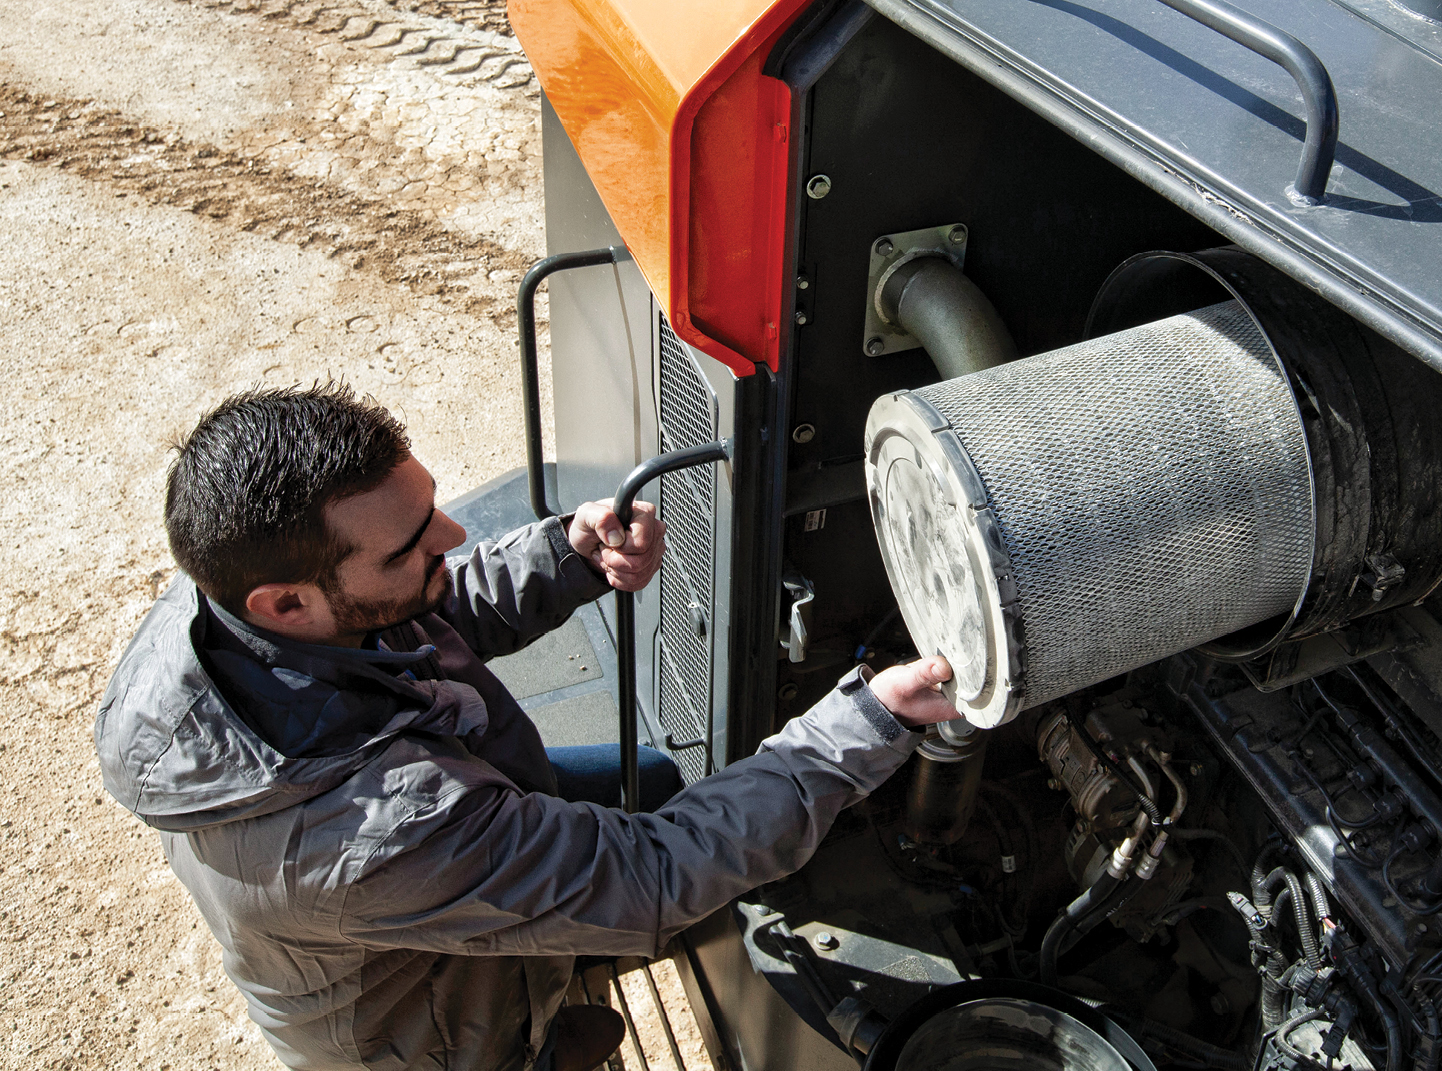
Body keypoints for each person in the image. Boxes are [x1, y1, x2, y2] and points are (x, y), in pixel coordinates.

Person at [94, 384, 957, 1071]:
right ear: (285, 602)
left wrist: (563, 558)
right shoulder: (374, 835)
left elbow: (418, 610)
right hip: (432, 1041)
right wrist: (866, 720)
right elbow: (650, 876)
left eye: (429, 505)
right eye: (410, 543)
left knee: (649, 779)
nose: (455, 531)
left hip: (405, 883)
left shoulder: (230, 608)